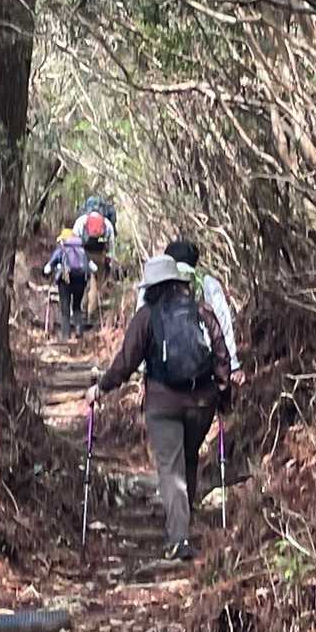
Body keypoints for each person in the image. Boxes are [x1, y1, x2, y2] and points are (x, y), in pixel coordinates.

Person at [85, 255, 231, 561]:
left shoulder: (147, 317)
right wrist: (222, 393)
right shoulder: (202, 311)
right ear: (178, 282)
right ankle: (183, 523)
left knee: (171, 468)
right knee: (188, 459)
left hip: (163, 404)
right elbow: (221, 353)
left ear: (151, 287)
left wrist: (101, 388)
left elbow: (126, 362)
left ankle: (179, 537)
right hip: (202, 402)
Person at [137, 238, 245, 384]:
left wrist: (142, 366)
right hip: (202, 371)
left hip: (162, 374)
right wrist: (233, 366)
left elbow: (141, 328)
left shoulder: (152, 285)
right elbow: (223, 324)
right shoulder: (207, 283)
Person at [44, 230, 94, 340]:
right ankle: (78, 331)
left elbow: (47, 268)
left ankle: (65, 336)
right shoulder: (82, 250)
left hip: (65, 281)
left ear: (64, 239)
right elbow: (93, 267)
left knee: (65, 309)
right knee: (77, 306)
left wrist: (50, 270)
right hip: (80, 280)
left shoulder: (61, 250)